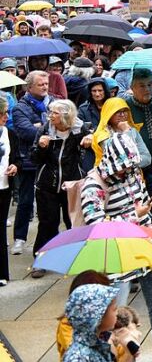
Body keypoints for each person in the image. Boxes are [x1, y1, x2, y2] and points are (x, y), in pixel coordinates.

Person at [79, 131, 152, 362]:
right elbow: (96, 226)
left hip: (143, 246)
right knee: (116, 310)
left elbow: (148, 207)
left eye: (130, 167)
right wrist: (134, 215)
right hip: (114, 253)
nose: (127, 172)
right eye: (123, 168)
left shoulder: (133, 173)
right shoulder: (93, 185)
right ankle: (113, 352)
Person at [31, 98, 90, 273]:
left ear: (66, 116)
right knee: (47, 222)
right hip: (47, 184)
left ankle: (74, 258)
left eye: (54, 113)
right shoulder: (45, 130)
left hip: (72, 184)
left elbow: (96, 146)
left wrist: (91, 139)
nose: (50, 116)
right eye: (50, 112)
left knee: (73, 223)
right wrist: (41, 147)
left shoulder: (80, 130)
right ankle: (41, 260)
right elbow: (34, 159)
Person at [11, 69, 51, 255]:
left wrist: (40, 127)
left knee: (46, 204)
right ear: (29, 86)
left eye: (46, 84)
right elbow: (26, 131)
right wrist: (46, 128)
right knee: (25, 201)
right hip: (28, 159)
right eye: (40, 84)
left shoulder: (52, 102)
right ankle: (19, 238)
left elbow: (63, 124)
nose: (44, 87)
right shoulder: (20, 107)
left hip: (49, 159)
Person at [62, 283, 121, 362]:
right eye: (114, 309)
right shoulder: (79, 357)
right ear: (98, 315)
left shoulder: (97, 345)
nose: (117, 313)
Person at [0, 98, 17, 286]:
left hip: (3, 188)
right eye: (2, 113)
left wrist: (15, 166)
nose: (6, 116)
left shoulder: (9, 134)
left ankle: (2, 273)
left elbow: (17, 158)